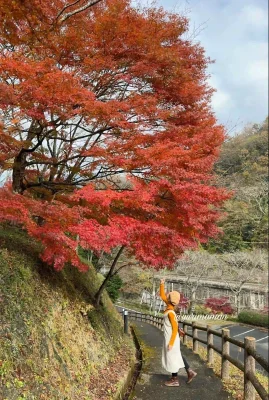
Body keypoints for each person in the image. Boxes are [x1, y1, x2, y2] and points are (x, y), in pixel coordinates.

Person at [160, 278, 197, 386]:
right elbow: (162, 296)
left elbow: (175, 328)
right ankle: (190, 372)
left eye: (169, 296)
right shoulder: (170, 306)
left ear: (170, 299)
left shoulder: (171, 312)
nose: (166, 297)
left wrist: (171, 343)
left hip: (171, 338)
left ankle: (175, 380)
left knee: (172, 358)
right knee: (176, 356)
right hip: (171, 336)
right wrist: (162, 284)